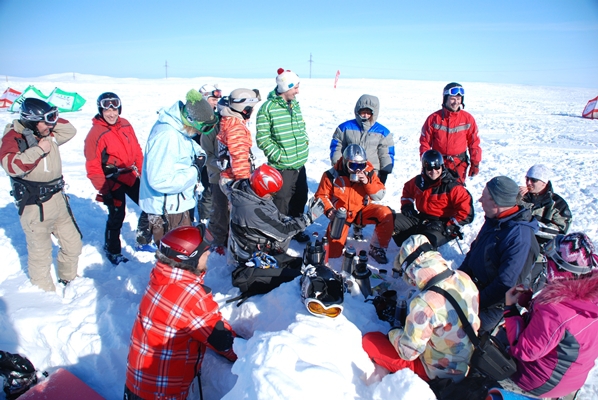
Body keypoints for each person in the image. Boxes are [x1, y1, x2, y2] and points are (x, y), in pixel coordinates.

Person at [124, 224, 237, 400]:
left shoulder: (160, 277)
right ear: (188, 258)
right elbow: (222, 340)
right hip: (161, 394)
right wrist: (251, 352)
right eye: (204, 252)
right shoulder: (190, 296)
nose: (208, 255)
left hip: (136, 384)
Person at [362, 235, 480, 382]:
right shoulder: (464, 278)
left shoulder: (425, 303)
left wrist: (394, 333)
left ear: (412, 270)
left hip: (437, 373)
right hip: (464, 362)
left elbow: (408, 353)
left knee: (370, 340)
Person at [0, 98, 82, 292]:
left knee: (73, 244)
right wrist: (38, 150)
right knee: (40, 254)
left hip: (58, 201)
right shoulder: (13, 137)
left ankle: (68, 280)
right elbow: (12, 165)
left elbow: (70, 130)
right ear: (30, 120)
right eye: (46, 121)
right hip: (34, 206)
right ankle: (43, 296)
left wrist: (48, 116)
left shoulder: (48, 133)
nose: (51, 125)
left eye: (52, 120)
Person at [503, 232, 598, 399]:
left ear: (560, 270)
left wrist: (510, 309)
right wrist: (529, 302)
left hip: (541, 381)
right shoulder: (586, 294)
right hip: (571, 376)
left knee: (484, 363)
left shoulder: (556, 309)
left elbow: (523, 350)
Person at [459, 176, 540, 334]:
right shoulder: (495, 220)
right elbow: (473, 252)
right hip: (474, 289)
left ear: (496, 203)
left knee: (454, 333)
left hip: (493, 305)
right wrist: (456, 279)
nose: (480, 200)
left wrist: (473, 302)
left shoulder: (520, 239)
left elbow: (505, 285)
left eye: (484, 196)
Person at [84, 92, 153, 265]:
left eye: (115, 109)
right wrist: (103, 190)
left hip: (129, 174)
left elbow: (136, 149)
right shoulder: (95, 134)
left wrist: (143, 173)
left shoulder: (125, 124)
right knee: (117, 215)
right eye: (107, 110)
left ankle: (143, 239)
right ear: (101, 110)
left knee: (148, 203)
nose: (112, 113)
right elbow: (92, 166)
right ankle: (112, 249)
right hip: (111, 180)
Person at [139, 89, 216, 243]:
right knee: (175, 258)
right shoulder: (167, 136)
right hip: (169, 211)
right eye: (198, 129)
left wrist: (198, 154)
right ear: (190, 120)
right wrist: (194, 170)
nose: (197, 133)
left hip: (176, 204)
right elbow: (160, 180)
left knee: (181, 255)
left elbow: (184, 146)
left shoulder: (177, 128)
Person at [228, 164, 323, 268]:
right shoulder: (252, 210)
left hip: (249, 243)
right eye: (271, 193)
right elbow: (283, 232)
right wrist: (308, 218)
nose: (273, 196)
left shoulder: (249, 192)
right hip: (253, 256)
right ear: (261, 188)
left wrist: (288, 219)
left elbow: (271, 216)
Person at [256, 68, 310, 243]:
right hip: (282, 166)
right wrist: (278, 156)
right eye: (295, 88)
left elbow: (301, 128)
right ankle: (279, 233)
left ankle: (296, 228)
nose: (298, 91)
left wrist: (305, 143)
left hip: (299, 163)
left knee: (300, 196)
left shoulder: (294, 105)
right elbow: (263, 138)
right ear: (286, 88)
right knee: (282, 200)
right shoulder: (268, 109)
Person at [314, 144, 394, 264]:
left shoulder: (368, 173)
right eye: (353, 165)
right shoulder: (331, 175)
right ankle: (340, 236)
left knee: (385, 213)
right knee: (332, 253)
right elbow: (321, 196)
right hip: (342, 215)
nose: (357, 169)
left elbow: (379, 195)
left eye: (361, 165)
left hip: (362, 210)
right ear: (346, 162)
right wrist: (329, 209)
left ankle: (377, 247)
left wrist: (367, 182)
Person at [393, 150, 474, 249]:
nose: (434, 172)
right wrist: (407, 205)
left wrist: (450, 225)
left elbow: (467, 213)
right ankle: (388, 246)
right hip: (421, 218)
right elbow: (407, 190)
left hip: (441, 224)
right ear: (424, 168)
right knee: (389, 220)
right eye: (429, 168)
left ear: (442, 166)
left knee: (420, 244)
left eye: (437, 167)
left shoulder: (452, 187)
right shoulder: (419, 181)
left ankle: (420, 254)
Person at [420, 82, 481, 183]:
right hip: (438, 164)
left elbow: (474, 143)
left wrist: (475, 163)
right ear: (445, 98)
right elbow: (424, 142)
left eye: (458, 98)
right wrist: (426, 162)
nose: (456, 102)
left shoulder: (468, 119)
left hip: (459, 164)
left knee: (457, 193)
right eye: (452, 98)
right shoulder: (433, 119)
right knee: (436, 193)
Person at [329, 94, 394, 184]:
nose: (365, 115)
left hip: (371, 172)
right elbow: (337, 146)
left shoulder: (383, 132)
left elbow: (385, 153)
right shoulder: (345, 128)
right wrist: (338, 165)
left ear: (374, 113)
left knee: (367, 195)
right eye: (363, 112)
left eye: (368, 112)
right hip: (349, 169)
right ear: (357, 111)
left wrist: (384, 172)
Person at [519, 164, 572, 244]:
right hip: (518, 242)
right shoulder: (521, 197)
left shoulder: (558, 204)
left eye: (533, 180)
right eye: (527, 179)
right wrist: (513, 196)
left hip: (542, 249)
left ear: (544, 183)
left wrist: (531, 224)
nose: (528, 183)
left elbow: (560, 232)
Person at [196, 84, 223, 221]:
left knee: (210, 189)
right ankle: (204, 219)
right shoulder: (195, 116)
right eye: (213, 99)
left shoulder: (215, 115)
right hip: (199, 159)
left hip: (210, 156)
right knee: (207, 189)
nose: (216, 102)